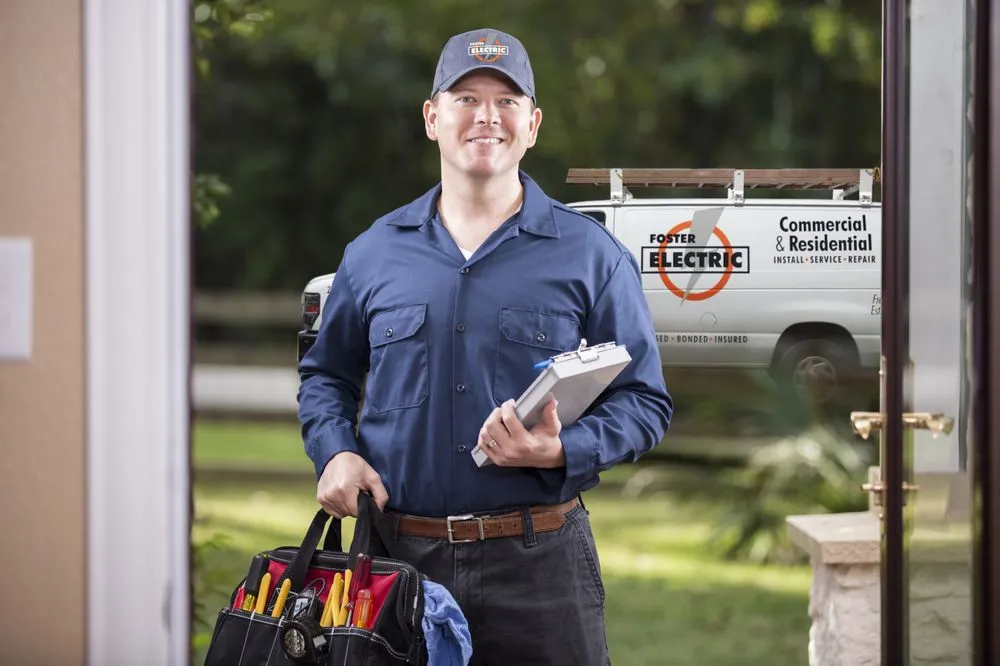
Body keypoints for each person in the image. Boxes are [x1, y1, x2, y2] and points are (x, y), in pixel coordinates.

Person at [298, 27, 673, 665]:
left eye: (506, 102)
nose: (486, 117)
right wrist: (334, 454)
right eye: (466, 98)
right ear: (432, 117)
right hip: (397, 565)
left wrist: (563, 448)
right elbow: (326, 377)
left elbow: (644, 402)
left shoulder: (592, 257)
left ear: (532, 124)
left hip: (541, 568)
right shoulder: (373, 253)